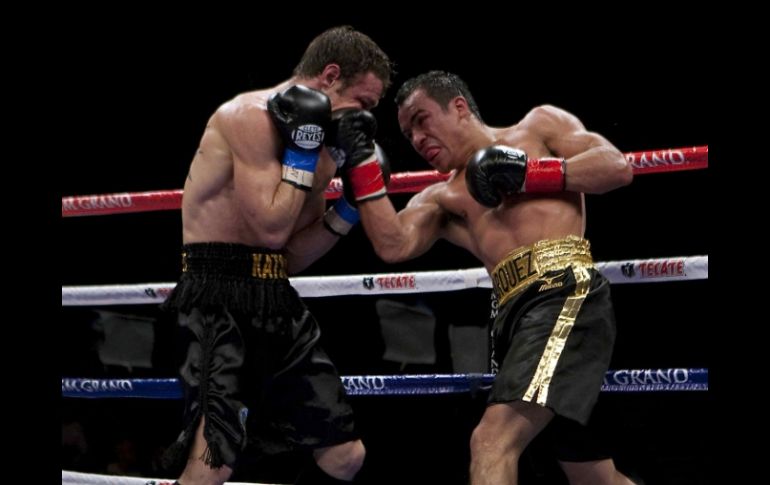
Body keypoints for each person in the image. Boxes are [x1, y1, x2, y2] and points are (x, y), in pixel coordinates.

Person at [334, 70, 636, 484]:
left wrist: (530, 174)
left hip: (562, 293)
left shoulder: (538, 125)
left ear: (458, 107)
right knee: (591, 475)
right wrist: (362, 169)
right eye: (408, 135)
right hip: (512, 318)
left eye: (421, 120)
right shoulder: (441, 196)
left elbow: (615, 167)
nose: (417, 139)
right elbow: (394, 244)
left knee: (492, 441)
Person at [160, 26, 393, 485]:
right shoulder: (248, 116)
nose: (364, 120)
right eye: (363, 104)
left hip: (275, 295)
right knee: (213, 461)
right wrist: (304, 152)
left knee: (345, 456)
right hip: (215, 295)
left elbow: (289, 254)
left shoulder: (324, 149)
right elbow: (269, 227)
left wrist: (348, 209)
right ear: (330, 76)